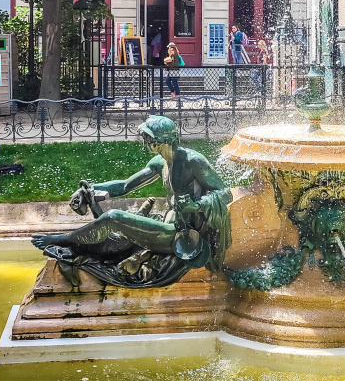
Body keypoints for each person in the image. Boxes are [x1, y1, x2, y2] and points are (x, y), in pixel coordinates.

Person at [32, 115, 232, 288]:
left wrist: (195, 206)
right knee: (116, 236)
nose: (143, 142)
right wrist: (89, 190)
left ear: (159, 141)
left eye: (147, 138)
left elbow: (225, 193)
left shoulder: (192, 161)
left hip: (181, 235)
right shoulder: (160, 162)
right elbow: (124, 186)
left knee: (113, 217)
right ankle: (73, 244)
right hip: (166, 224)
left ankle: (62, 240)